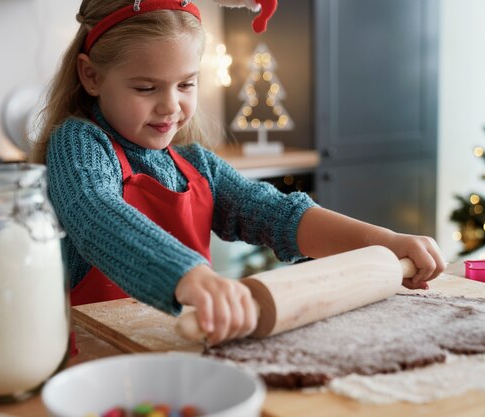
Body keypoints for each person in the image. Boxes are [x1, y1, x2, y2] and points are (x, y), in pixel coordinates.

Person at [30, 0, 446, 346]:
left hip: (180, 348)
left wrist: (384, 243)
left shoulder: (197, 164)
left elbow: (275, 213)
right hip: (92, 356)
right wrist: (188, 276)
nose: (170, 105)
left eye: (186, 84)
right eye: (146, 88)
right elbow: (94, 212)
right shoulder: (80, 143)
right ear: (91, 75)